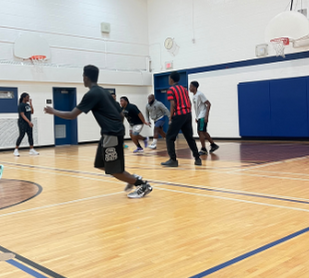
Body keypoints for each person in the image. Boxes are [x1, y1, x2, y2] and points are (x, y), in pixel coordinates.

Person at [43, 66, 151, 198]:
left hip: (112, 134)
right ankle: (131, 178)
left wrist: (53, 111)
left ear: (85, 77)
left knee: (114, 170)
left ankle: (142, 184)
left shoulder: (92, 94)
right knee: (100, 164)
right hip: (109, 133)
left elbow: (72, 115)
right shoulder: (104, 92)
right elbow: (121, 113)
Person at [161, 72, 202, 167]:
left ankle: (173, 160)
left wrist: (171, 117)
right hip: (187, 114)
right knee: (189, 137)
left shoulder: (171, 89)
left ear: (171, 79)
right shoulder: (184, 89)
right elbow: (189, 103)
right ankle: (197, 158)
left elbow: (173, 104)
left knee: (169, 137)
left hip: (179, 114)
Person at [189, 81, 219, 155]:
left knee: (200, 132)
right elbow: (197, 108)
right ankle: (213, 145)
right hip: (199, 116)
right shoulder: (194, 96)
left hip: (203, 115)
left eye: (191, 86)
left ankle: (203, 149)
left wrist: (206, 116)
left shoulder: (200, 94)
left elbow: (208, 104)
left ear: (194, 87)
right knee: (203, 132)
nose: (189, 88)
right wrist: (196, 117)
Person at [14, 92, 38, 156]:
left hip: (28, 123)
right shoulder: (21, 105)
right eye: (27, 97)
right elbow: (22, 115)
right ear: (24, 98)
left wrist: (31, 104)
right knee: (21, 135)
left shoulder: (27, 105)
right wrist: (29, 122)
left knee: (30, 135)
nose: (28, 98)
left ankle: (31, 149)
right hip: (22, 122)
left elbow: (32, 112)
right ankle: (16, 150)